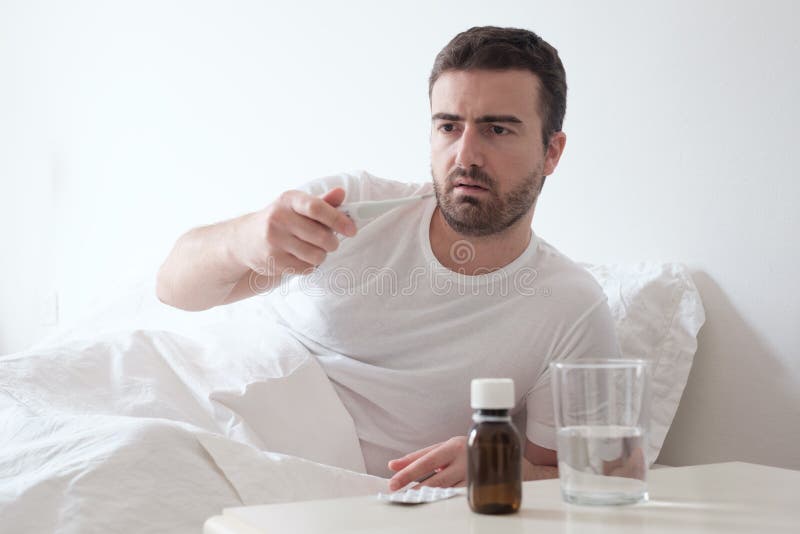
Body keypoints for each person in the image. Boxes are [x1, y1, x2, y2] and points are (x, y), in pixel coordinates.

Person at [157, 26, 620, 490]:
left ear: (551, 152)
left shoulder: (568, 308)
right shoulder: (352, 210)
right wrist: (247, 236)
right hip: (205, 415)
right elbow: (174, 289)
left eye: (497, 129)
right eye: (448, 126)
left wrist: (495, 466)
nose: (466, 154)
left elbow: (567, 478)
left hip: (311, 491)